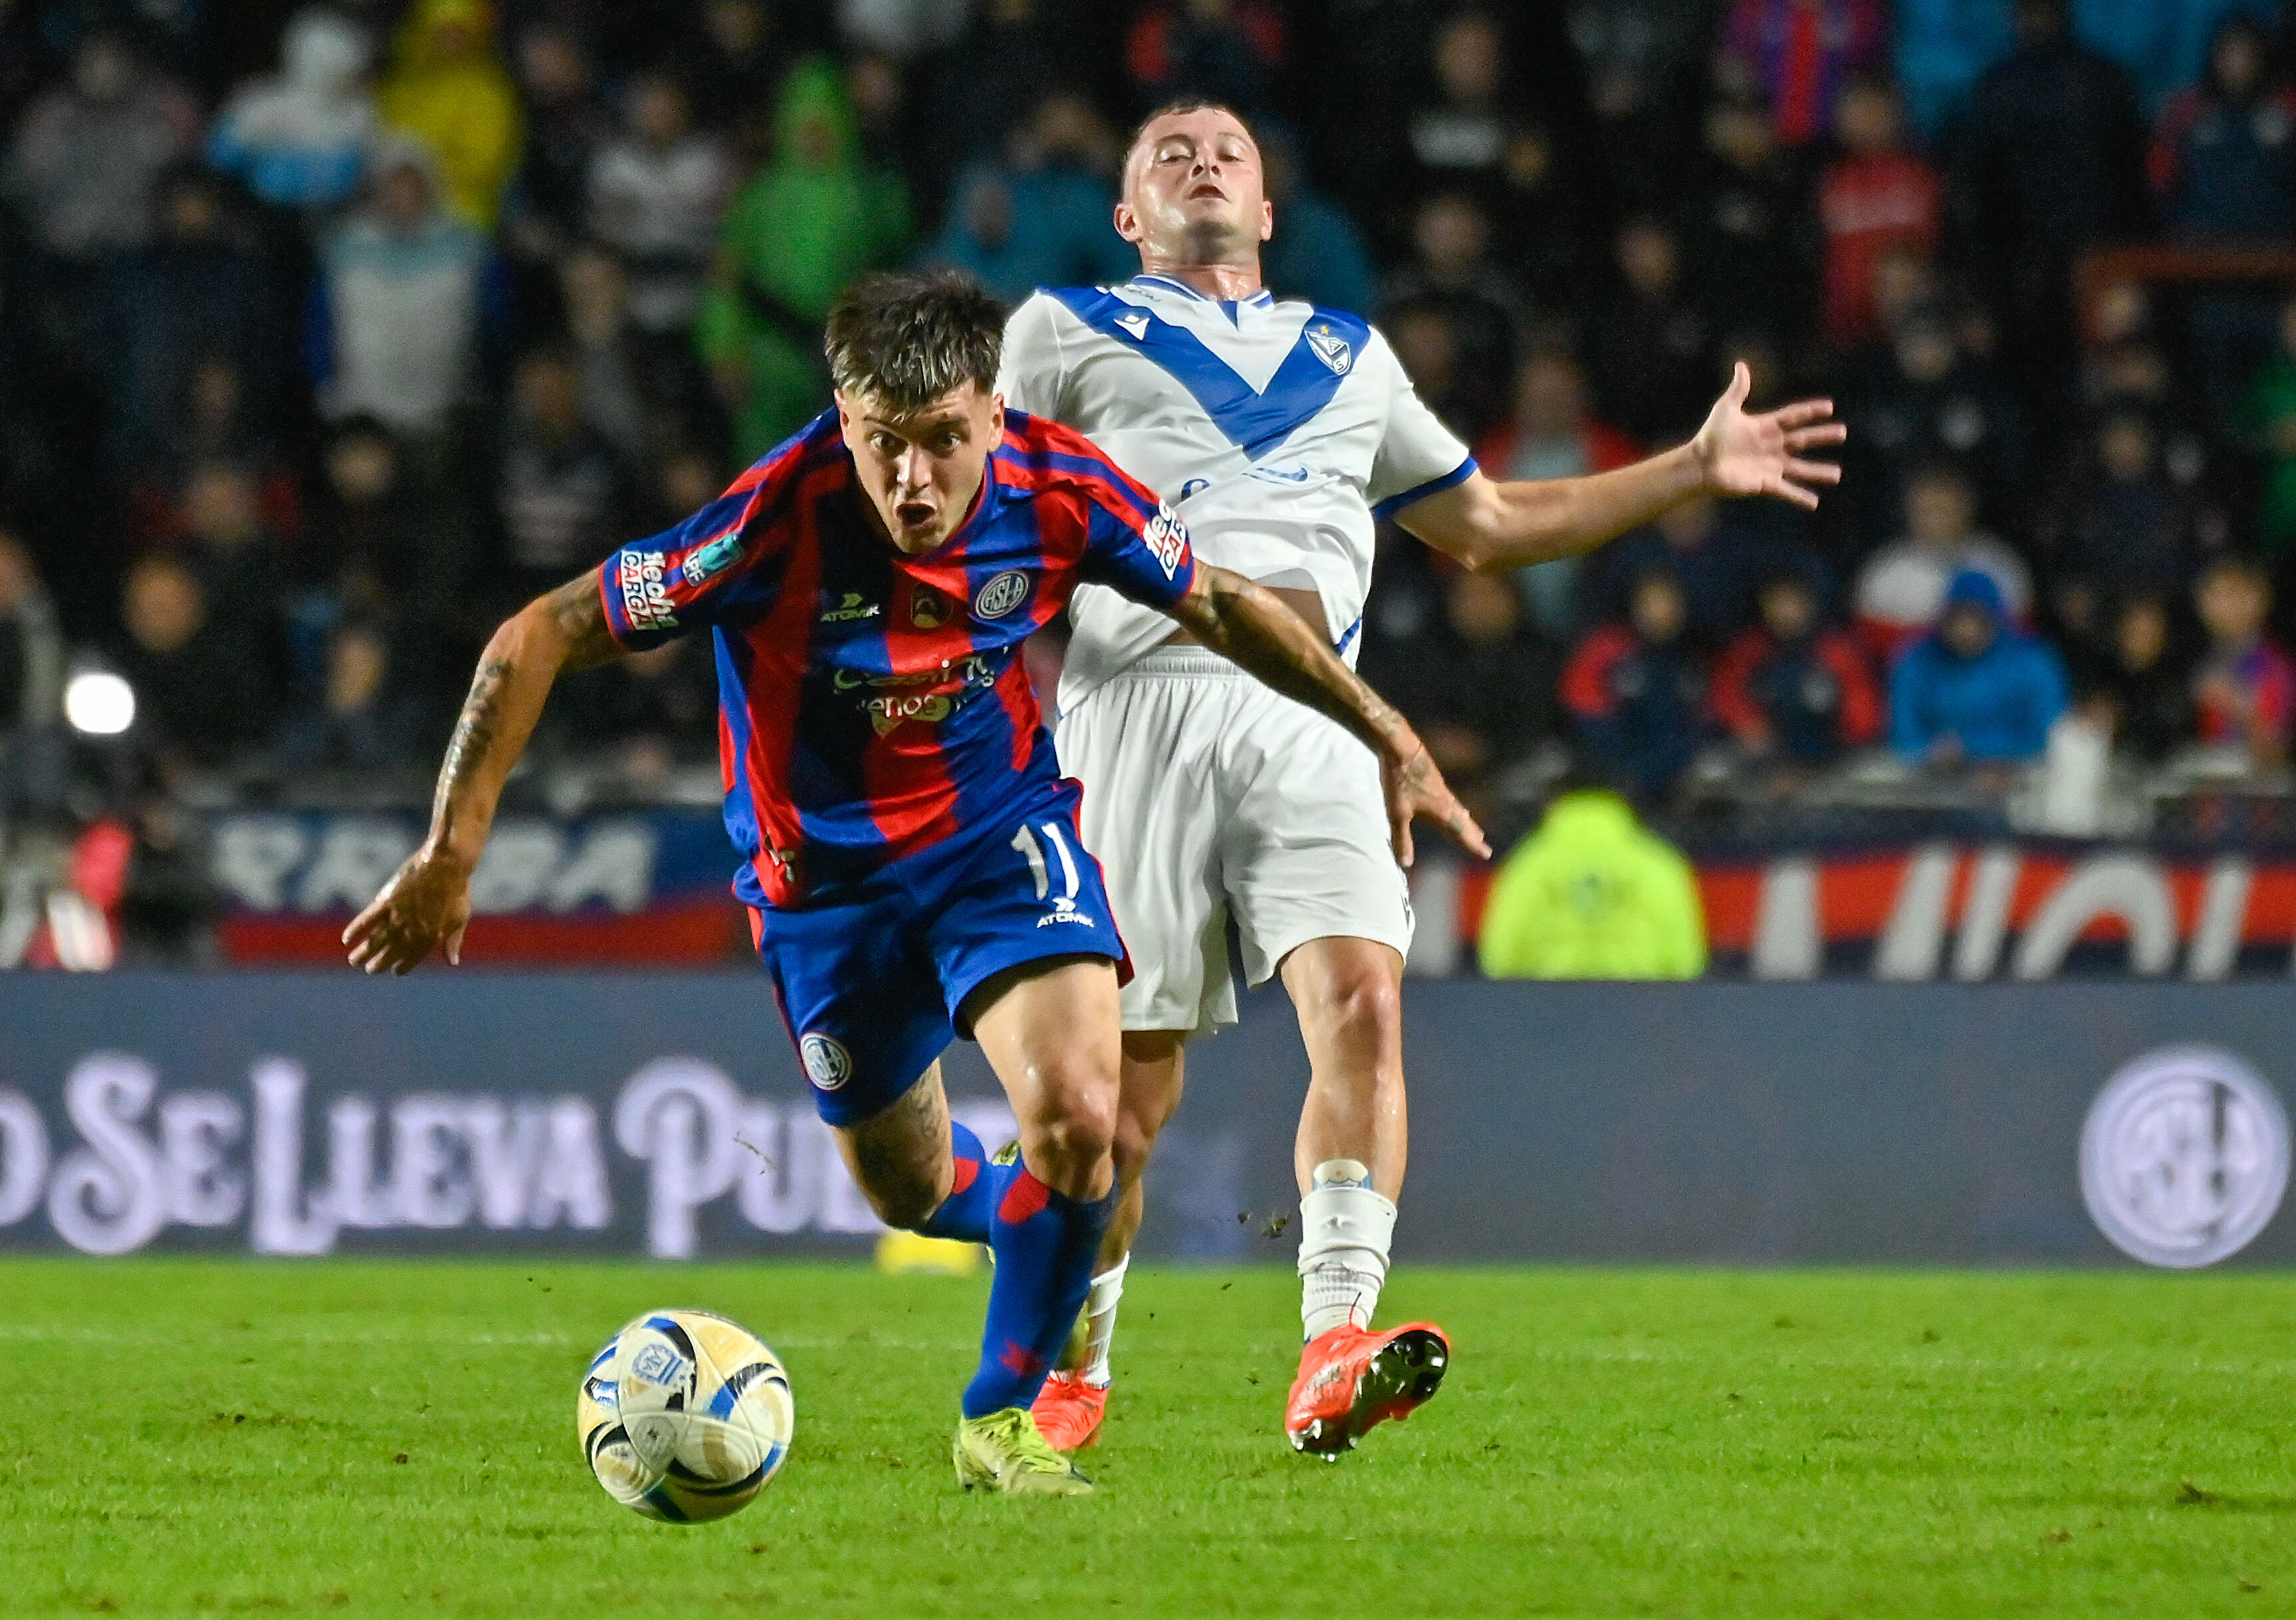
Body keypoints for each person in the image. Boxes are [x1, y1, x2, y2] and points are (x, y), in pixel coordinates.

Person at [341, 270, 1481, 1495]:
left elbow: (1217, 601)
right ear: (843, 418)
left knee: (1082, 1120)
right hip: (822, 891)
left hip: (998, 843)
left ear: (996, 410)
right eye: (885, 444)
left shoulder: (1060, 488)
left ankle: (1003, 1415)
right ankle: (1030, 1227)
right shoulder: (772, 517)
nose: (915, 481)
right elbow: (544, 629)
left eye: (945, 441)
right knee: (911, 1190)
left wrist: (1382, 730)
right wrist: (451, 850)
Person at [996, 101, 1841, 1457]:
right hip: (1132, 707)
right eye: (1167, 153)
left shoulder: (1350, 356)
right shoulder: (1058, 332)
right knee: (1117, 1105)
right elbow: (980, 519)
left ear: (1270, 212)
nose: (1199, 161)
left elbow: (1491, 525)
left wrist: (1690, 468)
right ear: (1125, 217)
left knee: (1363, 1007)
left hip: (1330, 714)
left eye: (1226, 152)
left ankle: (1333, 1342)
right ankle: (1073, 1367)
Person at [1477, 773, 1706, 980]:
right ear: (1622, 804)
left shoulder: (1527, 864)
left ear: (1553, 803)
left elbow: (1500, 959)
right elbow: (1686, 962)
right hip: (1638, 1015)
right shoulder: (1659, 863)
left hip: (1548, 1015)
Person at [1889, 569, 2069, 773]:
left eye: (1976, 618)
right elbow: (1903, 734)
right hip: (1931, 778)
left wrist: (1972, 749)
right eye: (1958, 618)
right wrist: (1930, 752)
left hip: (2017, 777)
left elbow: (2050, 734)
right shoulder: (1917, 661)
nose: (1966, 630)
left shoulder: (2035, 663)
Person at [2192, 554, 2295, 771]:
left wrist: (2236, 706)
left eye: (2230, 594)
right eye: (2213, 594)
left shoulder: (2273, 664)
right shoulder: (2208, 657)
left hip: (2258, 793)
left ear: (2257, 600)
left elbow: (2278, 754)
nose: (2216, 604)